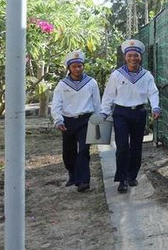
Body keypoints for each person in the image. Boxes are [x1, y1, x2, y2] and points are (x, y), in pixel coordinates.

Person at [100, 39, 160, 193]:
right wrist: (104, 111)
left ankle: (132, 176)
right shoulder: (116, 75)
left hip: (139, 113)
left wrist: (155, 107)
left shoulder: (146, 75)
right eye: (130, 56)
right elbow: (108, 95)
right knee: (122, 147)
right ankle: (122, 179)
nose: (133, 58)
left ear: (140, 57)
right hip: (121, 113)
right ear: (125, 57)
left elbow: (153, 92)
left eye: (136, 56)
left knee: (136, 146)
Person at [51, 50, 101, 192]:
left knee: (84, 150)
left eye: (80, 66)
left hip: (86, 120)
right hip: (68, 121)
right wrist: (58, 120)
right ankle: (72, 175)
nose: (77, 69)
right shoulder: (62, 85)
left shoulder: (91, 83)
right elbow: (56, 104)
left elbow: (97, 103)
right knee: (69, 151)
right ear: (69, 68)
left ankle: (84, 181)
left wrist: (98, 120)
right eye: (74, 66)